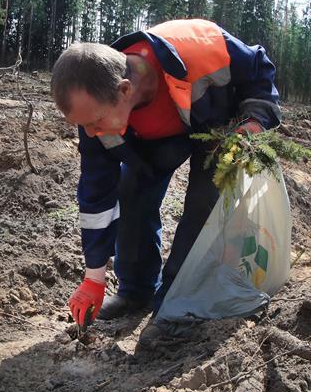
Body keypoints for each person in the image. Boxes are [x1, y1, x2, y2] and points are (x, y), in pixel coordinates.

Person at [50, 19, 281, 344]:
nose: (89, 133)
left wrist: (254, 122)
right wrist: (94, 276)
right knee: (131, 194)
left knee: (204, 204)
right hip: (155, 136)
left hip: (216, 127)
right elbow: (97, 193)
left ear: (125, 90)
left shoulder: (205, 50)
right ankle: (136, 291)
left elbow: (259, 74)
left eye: (94, 123)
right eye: (83, 126)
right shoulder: (96, 106)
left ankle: (175, 309)